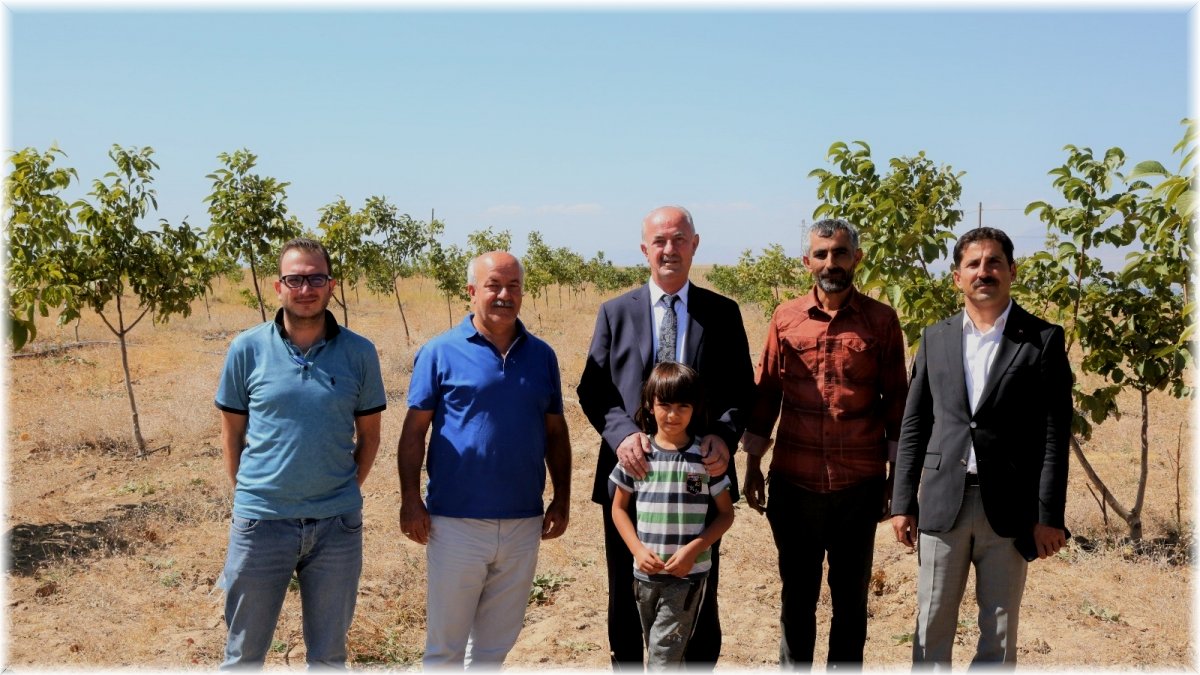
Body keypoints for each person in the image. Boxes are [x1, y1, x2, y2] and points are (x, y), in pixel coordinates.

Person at [578, 205, 754, 669]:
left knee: (697, 587)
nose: (669, 249)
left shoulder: (723, 313)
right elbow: (591, 389)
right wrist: (622, 437)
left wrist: (721, 434)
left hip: (701, 478)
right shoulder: (615, 313)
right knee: (627, 587)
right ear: (644, 250)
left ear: (695, 245)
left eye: (679, 239)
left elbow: (741, 390)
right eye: (659, 241)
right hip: (631, 476)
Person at [890, 226, 1072, 668]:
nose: (983, 271)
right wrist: (901, 502)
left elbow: (1054, 434)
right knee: (931, 623)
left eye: (993, 262)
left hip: (1009, 507)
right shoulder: (935, 337)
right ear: (957, 277)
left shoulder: (1042, 339)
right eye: (973, 264)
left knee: (1000, 628)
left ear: (1012, 270)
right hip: (942, 500)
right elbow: (915, 423)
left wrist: (1050, 517)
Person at [740, 218, 908, 669]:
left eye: (839, 252)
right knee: (797, 597)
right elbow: (766, 392)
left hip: (860, 486)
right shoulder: (785, 318)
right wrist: (752, 463)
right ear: (806, 262)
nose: (830, 262)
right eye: (820, 254)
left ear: (857, 257)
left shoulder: (881, 321)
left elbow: (897, 403)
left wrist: (898, 481)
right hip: (795, 485)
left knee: (851, 601)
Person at [214, 237, 387, 669]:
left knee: (329, 656)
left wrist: (338, 491)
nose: (305, 288)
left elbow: (370, 438)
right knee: (243, 655)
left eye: (315, 278)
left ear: (332, 285)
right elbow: (232, 435)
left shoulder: (360, 353)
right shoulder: (246, 349)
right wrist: (255, 495)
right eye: (295, 278)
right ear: (278, 287)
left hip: (336, 529)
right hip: (261, 525)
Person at [397, 250, 572, 669]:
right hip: (455, 523)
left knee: (494, 649)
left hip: (522, 523)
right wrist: (409, 500)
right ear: (471, 291)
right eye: (493, 285)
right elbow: (413, 432)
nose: (504, 295)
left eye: (513, 286)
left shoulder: (542, 356)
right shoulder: (439, 352)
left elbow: (555, 432)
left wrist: (562, 498)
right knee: (445, 647)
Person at [610, 362, 736, 669]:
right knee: (659, 648)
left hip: (687, 578)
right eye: (664, 405)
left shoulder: (705, 459)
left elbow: (726, 514)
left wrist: (694, 550)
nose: (672, 414)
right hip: (646, 576)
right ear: (649, 406)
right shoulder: (637, 456)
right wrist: (638, 551)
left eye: (683, 406)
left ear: (696, 409)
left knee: (663, 656)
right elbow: (618, 509)